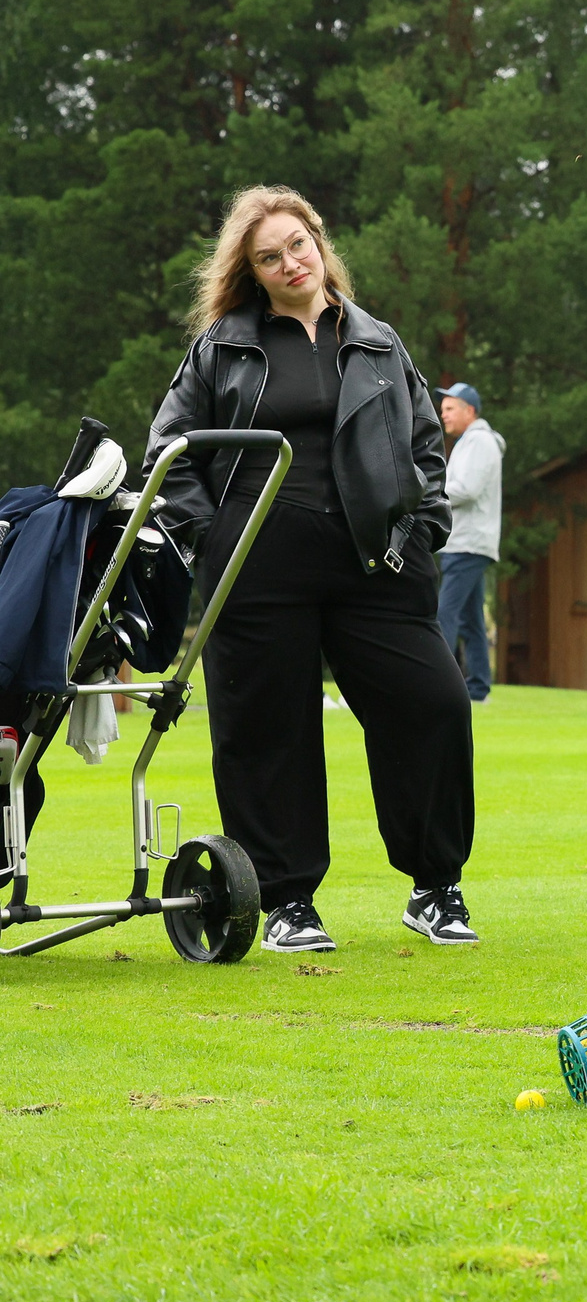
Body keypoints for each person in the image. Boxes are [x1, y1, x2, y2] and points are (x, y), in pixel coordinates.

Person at [145, 187, 480, 952]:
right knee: (268, 732)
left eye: (298, 245)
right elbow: (170, 450)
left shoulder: (377, 342)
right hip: (256, 569)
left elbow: (426, 442)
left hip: (379, 562)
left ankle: (436, 887)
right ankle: (288, 901)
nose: (289, 262)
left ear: (320, 244)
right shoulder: (223, 346)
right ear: (252, 271)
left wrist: (422, 528)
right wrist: (208, 538)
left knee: (432, 705)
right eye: (269, 256)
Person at [436, 382, 503, 704]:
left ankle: (435, 683)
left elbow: (466, 489)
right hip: (466, 542)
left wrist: (428, 490)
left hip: (468, 543)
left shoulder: (480, 442)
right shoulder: (470, 442)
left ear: (469, 411)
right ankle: (478, 689)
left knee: (444, 613)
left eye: (449, 409)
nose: (443, 414)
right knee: (471, 620)